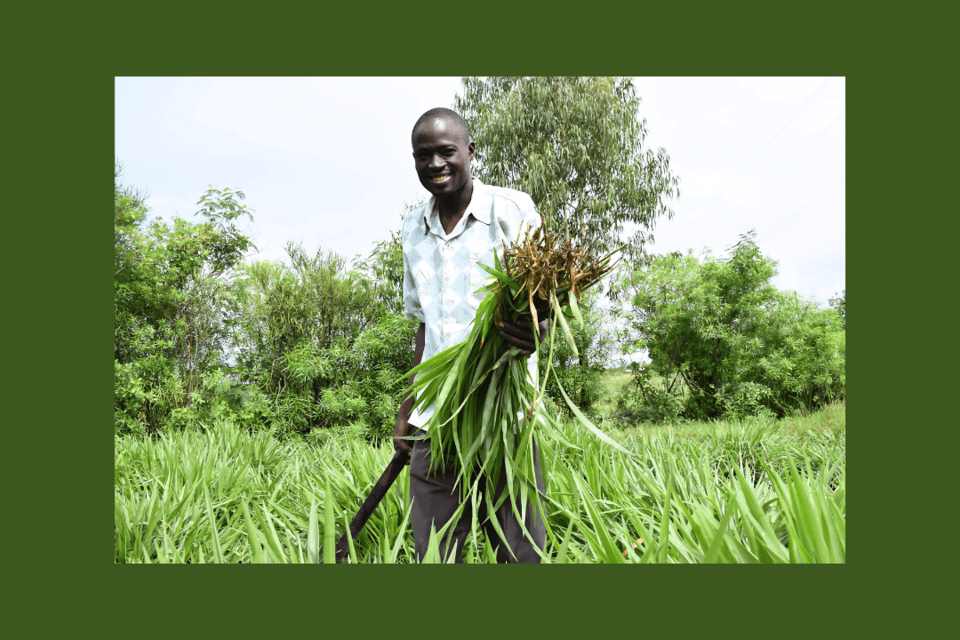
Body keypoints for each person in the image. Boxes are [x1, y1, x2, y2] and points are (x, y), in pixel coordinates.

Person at [394, 107, 548, 563]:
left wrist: (538, 328)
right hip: (435, 414)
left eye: (446, 152)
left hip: (505, 408)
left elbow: (542, 302)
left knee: (520, 549)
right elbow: (423, 323)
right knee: (436, 552)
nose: (435, 164)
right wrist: (409, 403)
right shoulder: (411, 228)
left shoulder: (510, 209)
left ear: (471, 153)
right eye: (424, 156)